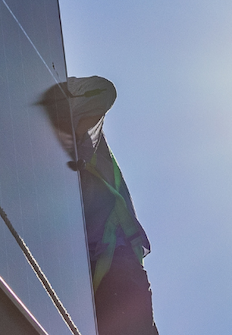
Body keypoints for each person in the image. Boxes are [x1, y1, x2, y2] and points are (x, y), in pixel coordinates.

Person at [44, 77, 160, 335]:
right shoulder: (35, 170)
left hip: (117, 269)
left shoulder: (87, 143)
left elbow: (102, 91)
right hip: (98, 275)